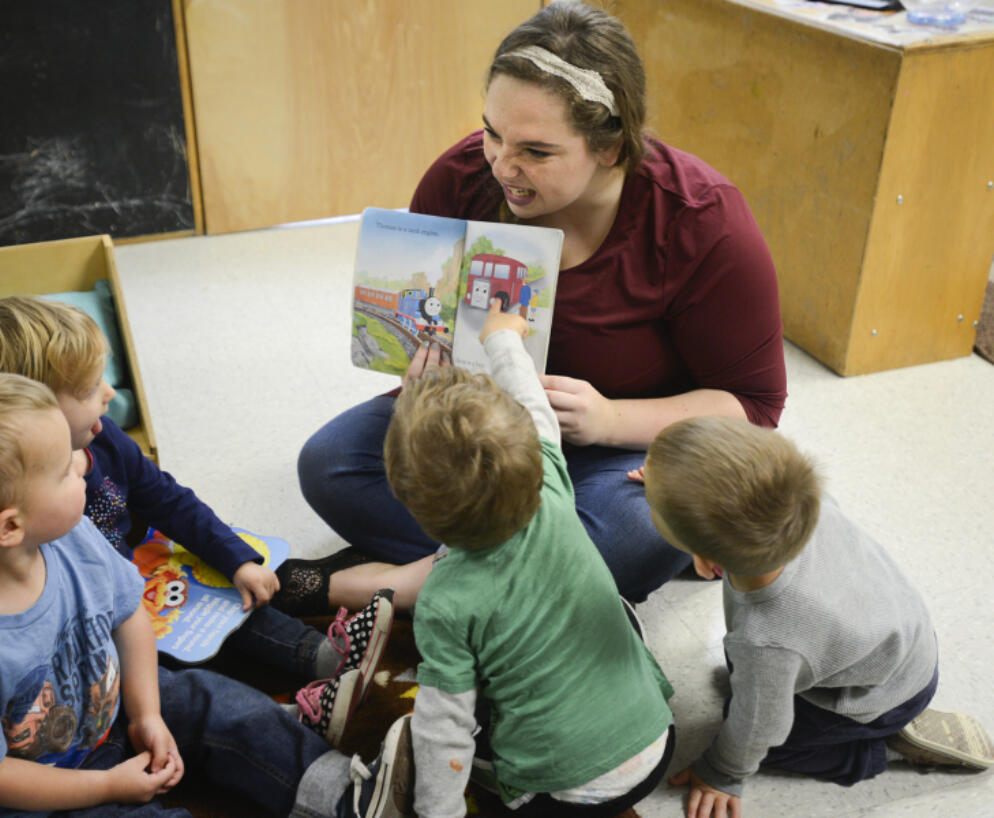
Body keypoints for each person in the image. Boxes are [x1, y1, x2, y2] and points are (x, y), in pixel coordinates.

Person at [288, 0, 787, 611]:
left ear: (610, 146)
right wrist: (427, 380)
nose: (501, 165)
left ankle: (416, 580)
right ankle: (535, 584)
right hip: (488, 421)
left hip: (620, 451)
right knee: (332, 464)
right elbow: (424, 323)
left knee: (636, 536)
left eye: (536, 151)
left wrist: (608, 420)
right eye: (492, 132)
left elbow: (754, 408)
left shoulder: (703, 225)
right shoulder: (461, 177)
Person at [0, 367, 415, 818]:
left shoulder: (72, 535)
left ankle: (345, 798)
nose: (84, 461)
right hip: (37, 798)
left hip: (107, 712)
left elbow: (130, 618)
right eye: (61, 469)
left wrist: (146, 711)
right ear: (9, 527)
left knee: (215, 701)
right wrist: (105, 788)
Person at [0, 296, 393, 742]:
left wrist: (236, 561)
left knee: (236, 595)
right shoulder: (23, 516)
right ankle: (284, 723)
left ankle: (325, 657)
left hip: (149, 584)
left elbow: (168, 500)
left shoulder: (103, 437)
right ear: (32, 414)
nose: (110, 394)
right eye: (90, 389)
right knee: (182, 694)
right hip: (107, 636)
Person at [394, 301, 675, 817]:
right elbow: (531, 402)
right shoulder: (549, 478)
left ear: (416, 514)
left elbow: (443, 730)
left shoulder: (444, 600)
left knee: (460, 729)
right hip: (656, 740)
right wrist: (503, 339)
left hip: (564, 791)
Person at [635, 415, 994, 817]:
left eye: (650, 500)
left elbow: (761, 727)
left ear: (704, 562)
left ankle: (873, 749)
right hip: (904, 643)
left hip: (873, 697)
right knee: (753, 686)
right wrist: (673, 484)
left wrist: (722, 771)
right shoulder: (801, 503)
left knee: (755, 732)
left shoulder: (766, 642)